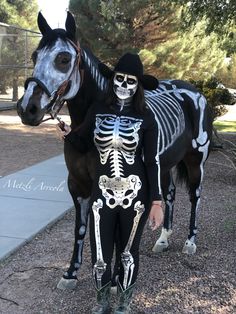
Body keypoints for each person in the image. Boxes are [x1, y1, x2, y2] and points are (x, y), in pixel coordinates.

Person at [57, 53, 164, 314]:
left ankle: (123, 305)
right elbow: (83, 144)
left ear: (138, 86)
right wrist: (69, 135)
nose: (123, 86)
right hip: (102, 192)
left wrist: (157, 200)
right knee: (100, 254)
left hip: (135, 195)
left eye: (130, 81)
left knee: (128, 253)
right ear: (112, 80)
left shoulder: (146, 118)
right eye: (119, 79)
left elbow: (152, 161)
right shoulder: (97, 110)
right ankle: (102, 303)